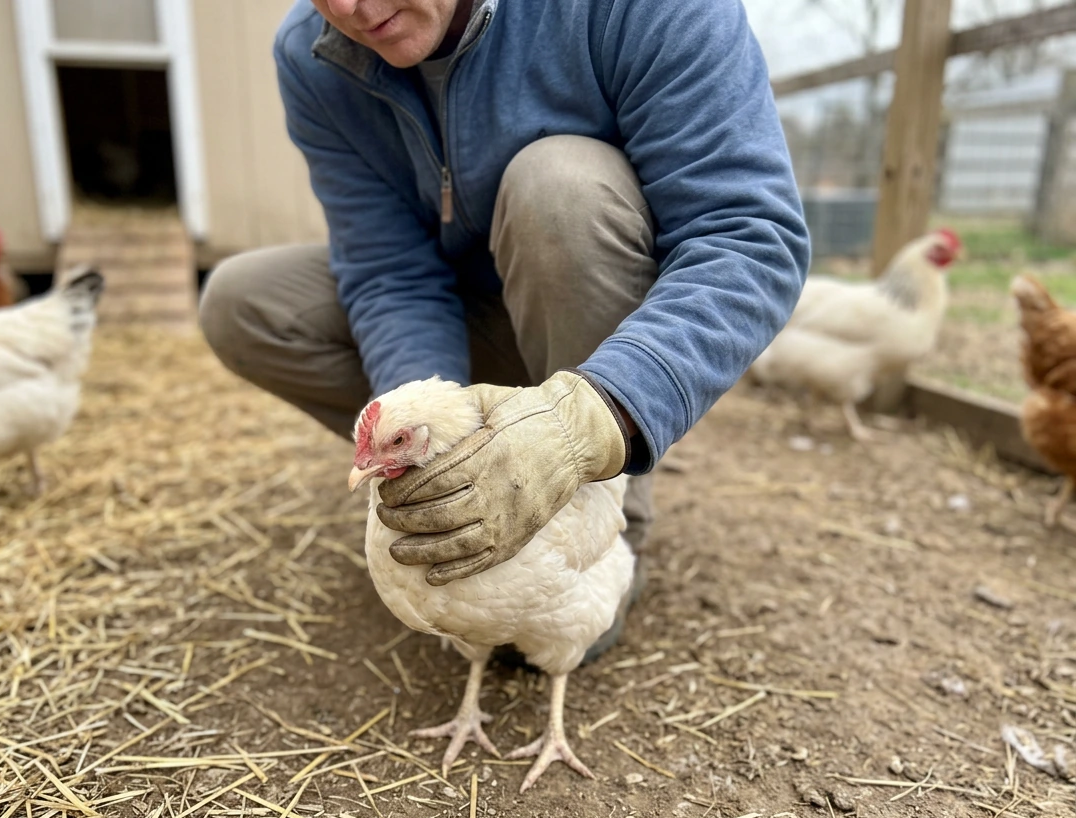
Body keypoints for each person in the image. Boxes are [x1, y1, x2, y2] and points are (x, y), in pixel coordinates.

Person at [199, 0, 810, 658]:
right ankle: (475, 489)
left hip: (607, 323)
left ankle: (607, 516)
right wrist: (431, 441)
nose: (354, 9)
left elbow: (748, 238)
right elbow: (389, 272)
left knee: (559, 187)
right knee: (244, 301)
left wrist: (596, 413)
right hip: (481, 323)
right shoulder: (313, 51)